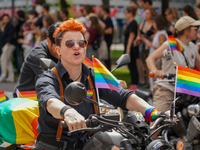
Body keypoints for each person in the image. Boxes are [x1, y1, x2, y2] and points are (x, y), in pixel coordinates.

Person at [33, 18, 168, 150]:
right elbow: (49, 101)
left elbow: (123, 96)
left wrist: (152, 111)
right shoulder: (47, 78)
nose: (77, 47)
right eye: (69, 44)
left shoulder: (95, 75)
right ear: (58, 51)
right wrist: (67, 112)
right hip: (52, 146)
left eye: (81, 43)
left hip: (89, 144)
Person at [146, 16, 200, 113]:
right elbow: (150, 58)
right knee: (159, 122)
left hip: (186, 92)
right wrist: (155, 71)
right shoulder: (171, 44)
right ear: (186, 31)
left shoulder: (193, 47)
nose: (197, 31)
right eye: (195, 29)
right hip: (167, 90)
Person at [12, 22, 60, 97]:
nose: (61, 51)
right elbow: (54, 81)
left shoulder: (67, 48)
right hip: (25, 99)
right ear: (49, 41)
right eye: (58, 47)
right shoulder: (38, 56)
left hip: (42, 95)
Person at [143, 15, 167, 90]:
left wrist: (151, 45)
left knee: (154, 79)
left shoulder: (161, 34)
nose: (152, 24)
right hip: (155, 59)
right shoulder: (159, 33)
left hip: (157, 60)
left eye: (153, 22)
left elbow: (162, 48)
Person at [124, 6, 139, 90]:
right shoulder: (130, 23)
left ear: (130, 13)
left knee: (132, 65)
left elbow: (131, 36)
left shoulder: (133, 23)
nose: (126, 14)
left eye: (126, 12)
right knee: (130, 66)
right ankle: (133, 82)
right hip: (129, 47)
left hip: (132, 48)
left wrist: (128, 49)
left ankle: (135, 83)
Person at [0, 14, 16, 82]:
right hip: (6, 45)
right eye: (4, 19)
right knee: (8, 61)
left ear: (9, 19)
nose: (5, 20)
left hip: (9, 45)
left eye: (7, 18)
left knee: (2, 59)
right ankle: (11, 76)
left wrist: (8, 43)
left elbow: (10, 35)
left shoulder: (10, 26)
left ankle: (3, 75)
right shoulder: (5, 26)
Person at [100, 5, 114, 71]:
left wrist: (102, 31)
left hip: (107, 41)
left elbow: (110, 30)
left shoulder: (108, 19)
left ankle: (108, 70)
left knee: (107, 56)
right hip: (104, 40)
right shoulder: (103, 19)